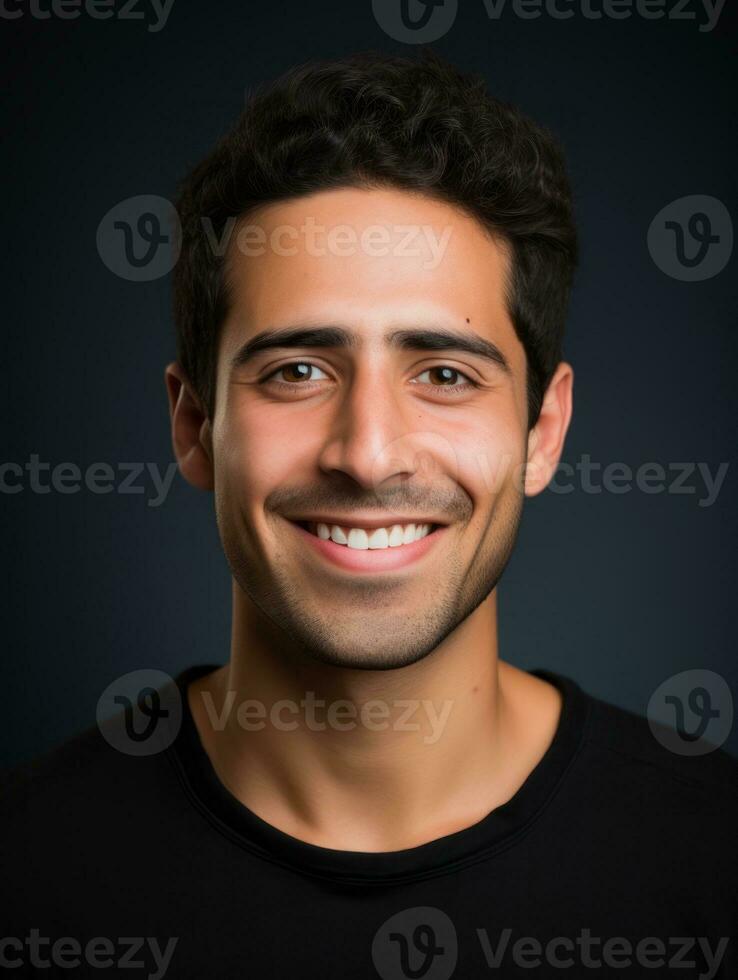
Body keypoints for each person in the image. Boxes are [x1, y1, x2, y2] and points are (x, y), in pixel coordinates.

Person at [2, 50, 736, 979]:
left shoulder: (713, 859)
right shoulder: (24, 871)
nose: (370, 451)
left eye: (444, 374)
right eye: (297, 371)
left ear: (542, 432)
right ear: (195, 425)